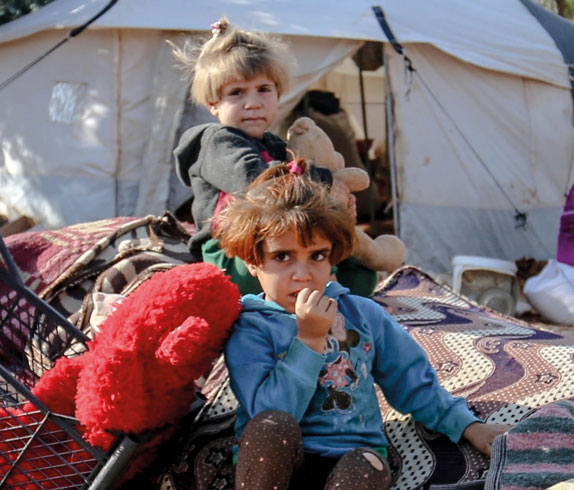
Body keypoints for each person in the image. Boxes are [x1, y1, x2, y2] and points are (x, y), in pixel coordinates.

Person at [214, 163, 509, 490]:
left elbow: (412, 379)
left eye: (317, 256)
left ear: (333, 258)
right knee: (271, 427)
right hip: (279, 463)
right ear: (254, 263)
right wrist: (309, 340)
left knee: (368, 465)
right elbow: (269, 411)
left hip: (350, 457)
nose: (303, 273)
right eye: (283, 257)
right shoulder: (251, 327)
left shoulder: (363, 315)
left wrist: (468, 426)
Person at [172, 18, 293, 294]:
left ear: (278, 93)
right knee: (311, 272)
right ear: (213, 104)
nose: (253, 103)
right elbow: (256, 181)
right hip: (228, 254)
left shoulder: (274, 144)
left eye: (263, 89)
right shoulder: (217, 142)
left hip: (274, 244)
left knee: (355, 266)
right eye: (237, 93)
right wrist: (321, 179)